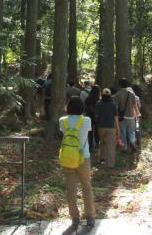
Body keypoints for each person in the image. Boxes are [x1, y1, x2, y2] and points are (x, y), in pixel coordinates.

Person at [59, 96, 96, 228]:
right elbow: (88, 135)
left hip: (68, 158)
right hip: (83, 157)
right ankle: (90, 217)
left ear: (68, 107)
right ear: (82, 107)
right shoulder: (86, 120)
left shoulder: (62, 121)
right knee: (86, 187)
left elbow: (63, 133)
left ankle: (75, 218)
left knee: (71, 188)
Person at [95, 88, 120, 167]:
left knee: (102, 143)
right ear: (110, 95)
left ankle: (102, 159)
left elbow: (96, 116)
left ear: (102, 95)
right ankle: (110, 164)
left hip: (101, 127)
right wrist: (118, 128)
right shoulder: (113, 104)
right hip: (111, 127)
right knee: (111, 145)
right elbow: (116, 117)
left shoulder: (98, 103)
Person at [114, 78, 138, 152]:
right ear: (127, 85)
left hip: (122, 117)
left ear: (119, 85)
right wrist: (137, 116)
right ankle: (132, 142)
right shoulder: (132, 94)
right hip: (131, 116)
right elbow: (135, 106)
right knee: (131, 132)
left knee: (123, 132)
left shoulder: (117, 95)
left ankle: (124, 148)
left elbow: (116, 107)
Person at [84, 85, 101, 151]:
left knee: (90, 132)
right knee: (97, 132)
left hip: (89, 116)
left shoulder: (88, 99)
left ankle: (90, 146)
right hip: (97, 117)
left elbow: (85, 107)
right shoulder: (99, 100)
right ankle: (97, 144)